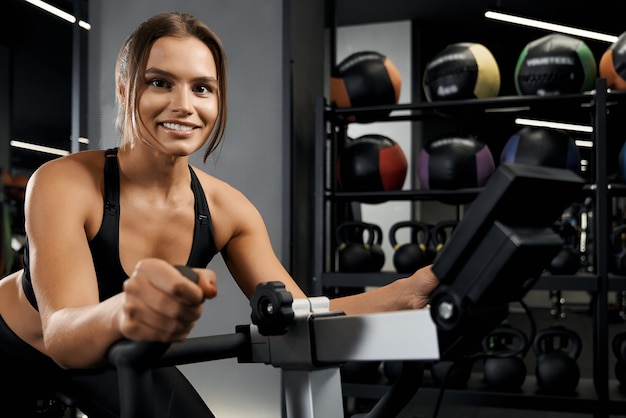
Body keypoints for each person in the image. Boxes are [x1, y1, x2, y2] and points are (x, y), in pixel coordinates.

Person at [0, 11, 439, 418]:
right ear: (123, 88)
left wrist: (408, 292)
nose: (183, 105)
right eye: (159, 82)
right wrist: (127, 310)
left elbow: (300, 319)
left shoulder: (228, 210)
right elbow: (61, 337)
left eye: (202, 88)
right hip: (13, 346)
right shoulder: (63, 183)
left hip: (117, 351)